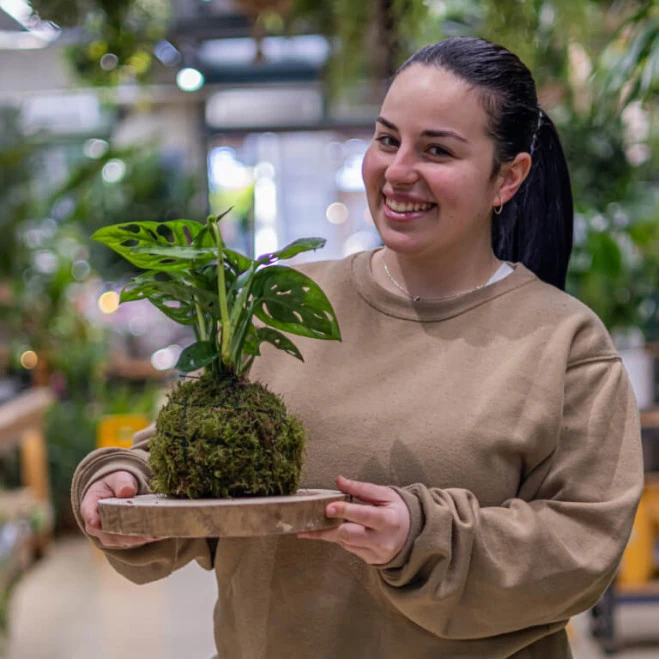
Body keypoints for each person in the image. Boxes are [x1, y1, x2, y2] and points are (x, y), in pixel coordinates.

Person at [73, 37, 643, 658]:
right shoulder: (287, 306)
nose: (398, 172)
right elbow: (193, 467)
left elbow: (585, 545)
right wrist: (124, 482)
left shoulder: (563, 341)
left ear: (508, 176)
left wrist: (421, 538)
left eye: (438, 150)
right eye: (387, 139)